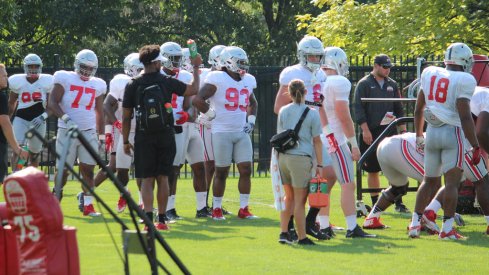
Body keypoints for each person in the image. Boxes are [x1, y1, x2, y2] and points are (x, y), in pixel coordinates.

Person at [122, 44, 201, 231]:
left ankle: (148, 220)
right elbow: (193, 89)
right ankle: (162, 220)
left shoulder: (133, 84)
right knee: (163, 178)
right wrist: (196, 67)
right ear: (157, 63)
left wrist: (125, 140)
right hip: (166, 133)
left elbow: (126, 116)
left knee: (147, 179)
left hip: (143, 135)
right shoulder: (165, 81)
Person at [408, 42, 479, 240]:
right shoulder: (465, 79)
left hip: (432, 131)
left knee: (428, 181)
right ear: (463, 61)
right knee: (451, 184)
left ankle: (414, 224)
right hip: (452, 133)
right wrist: (475, 145)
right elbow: (465, 116)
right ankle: (446, 229)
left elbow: (418, 108)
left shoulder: (430, 73)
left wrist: (418, 134)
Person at [274, 35, 336, 241]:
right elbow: (278, 107)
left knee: (327, 176)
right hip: (302, 141)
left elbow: (322, 107)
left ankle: (309, 220)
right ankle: (294, 228)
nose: (316, 60)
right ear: (302, 55)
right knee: (296, 194)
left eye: (318, 56)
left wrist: (327, 131)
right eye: (311, 55)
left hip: (314, 133)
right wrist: (307, 109)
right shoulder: (292, 74)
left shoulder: (321, 75)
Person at [364, 131, 487, 233]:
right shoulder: (456, 140)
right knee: (432, 182)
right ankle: (422, 221)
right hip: (401, 146)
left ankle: (372, 219)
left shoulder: (444, 134)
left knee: (399, 187)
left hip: (386, 145)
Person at [193, 46, 258, 220]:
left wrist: (251, 121)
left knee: (246, 169)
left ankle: (244, 208)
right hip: (221, 131)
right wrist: (210, 113)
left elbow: (253, 102)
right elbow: (197, 99)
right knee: (221, 171)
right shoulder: (217, 78)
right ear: (229, 62)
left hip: (241, 132)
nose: (243, 65)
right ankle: (216, 208)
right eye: (240, 62)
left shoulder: (248, 80)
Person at [320, 47, 376, 238]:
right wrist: (353, 143)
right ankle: (352, 227)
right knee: (348, 184)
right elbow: (343, 116)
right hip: (334, 139)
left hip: (317, 139)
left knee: (321, 182)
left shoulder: (315, 79)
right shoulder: (338, 81)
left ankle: (322, 225)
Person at [48, 49, 106, 217]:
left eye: (90, 68)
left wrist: (101, 136)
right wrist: (66, 118)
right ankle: (56, 197)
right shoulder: (64, 77)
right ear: (76, 64)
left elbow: (100, 112)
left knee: (88, 170)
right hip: (67, 130)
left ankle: (88, 205)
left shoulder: (99, 84)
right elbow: (52, 102)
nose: (87, 71)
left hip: (88, 131)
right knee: (63, 170)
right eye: (84, 67)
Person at [159, 41, 207, 221]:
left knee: (199, 167)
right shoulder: (157, 76)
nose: (177, 61)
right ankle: (169, 209)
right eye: (173, 58)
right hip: (172, 128)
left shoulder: (185, 75)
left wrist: (188, 114)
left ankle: (202, 208)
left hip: (188, 126)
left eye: (179, 58)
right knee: (173, 169)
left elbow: (188, 102)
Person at [354, 54, 408, 212]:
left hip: (389, 131)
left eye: (389, 67)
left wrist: (403, 129)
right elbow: (358, 109)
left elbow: (399, 108)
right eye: (385, 67)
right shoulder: (364, 84)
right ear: (375, 66)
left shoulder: (393, 84)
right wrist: (365, 130)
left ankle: (399, 203)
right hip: (371, 131)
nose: (388, 70)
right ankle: (376, 203)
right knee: (372, 170)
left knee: (397, 168)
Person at [276, 79, 322, 245]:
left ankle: (284, 232)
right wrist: (320, 165)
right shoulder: (312, 113)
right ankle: (302, 237)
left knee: (289, 198)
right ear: (305, 93)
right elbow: (317, 141)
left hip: (284, 158)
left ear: (289, 92)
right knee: (300, 200)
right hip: (300, 158)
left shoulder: (283, 110)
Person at [100, 53, 144, 213]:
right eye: (138, 68)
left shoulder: (149, 81)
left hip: (142, 131)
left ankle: (142, 201)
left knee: (142, 168)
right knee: (122, 169)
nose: (142, 71)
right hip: (124, 132)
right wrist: (114, 125)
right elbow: (106, 105)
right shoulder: (120, 82)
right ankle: (123, 193)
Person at [195, 45, 228, 212]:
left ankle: (217, 204)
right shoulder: (206, 75)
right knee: (209, 164)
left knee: (221, 165)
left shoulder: (227, 76)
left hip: (223, 125)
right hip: (207, 123)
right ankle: (205, 204)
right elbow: (198, 97)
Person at [8, 54, 53, 169]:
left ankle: (31, 178)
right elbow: (11, 102)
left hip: (39, 120)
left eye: (35, 66)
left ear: (40, 67)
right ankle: (16, 175)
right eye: (30, 66)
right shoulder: (18, 81)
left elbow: (52, 106)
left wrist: (43, 116)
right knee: (19, 149)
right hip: (21, 119)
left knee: (34, 153)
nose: (33, 69)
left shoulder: (47, 82)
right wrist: (7, 119)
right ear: (25, 67)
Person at [0, 64, 29, 182]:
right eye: (3, 76)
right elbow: (4, 122)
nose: (7, 78)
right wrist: (17, 149)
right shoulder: (1, 96)